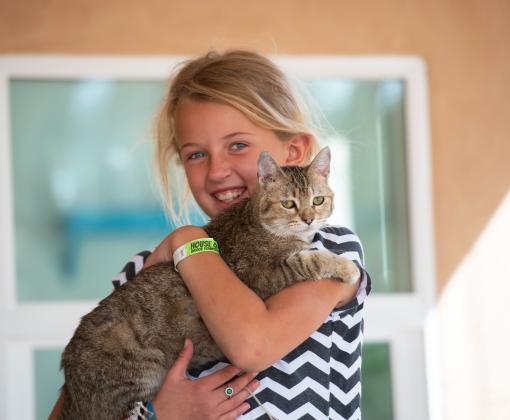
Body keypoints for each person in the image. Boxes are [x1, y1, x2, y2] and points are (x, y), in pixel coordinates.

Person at [50, 49, 371, 420]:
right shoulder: (146, 267)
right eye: (196, 155)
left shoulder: (331, 250)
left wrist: (187, 240)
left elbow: (252, 345)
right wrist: (158, 415)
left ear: (294, 151)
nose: (217, 171)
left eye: (238, 146)